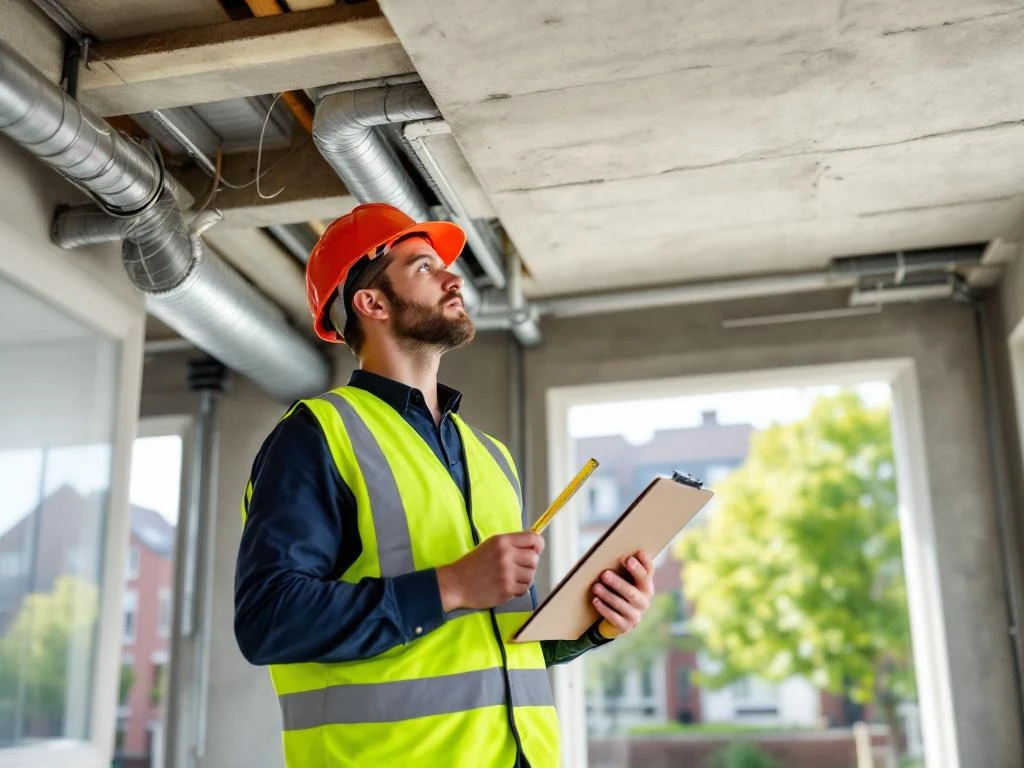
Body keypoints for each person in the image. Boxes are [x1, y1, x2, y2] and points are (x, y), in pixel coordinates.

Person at [234, 203, 656, 768]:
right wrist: (451, 585)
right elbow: (269, 620)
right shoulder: (318, 435)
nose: (454, 277)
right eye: (425, 267)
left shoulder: (490, 455)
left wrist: (592, 622)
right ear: (372, 302)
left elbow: (486, 645)